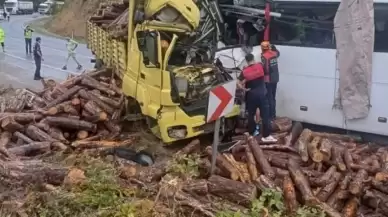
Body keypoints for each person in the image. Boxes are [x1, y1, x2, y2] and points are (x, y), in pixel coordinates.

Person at [238, 53, 277, 143]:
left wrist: (244, 88)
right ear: (253, 59)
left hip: (251, 95)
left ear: (247, 61)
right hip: (262, 94)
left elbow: (238, 82)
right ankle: (266, 136)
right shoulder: (260, 66)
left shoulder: (244, 71)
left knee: (251, 115)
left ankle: (253, 132)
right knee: (266, 116)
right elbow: (267, 71)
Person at [261, 41, 280, 121]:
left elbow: (265, 69)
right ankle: (274, 115)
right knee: (273, 96)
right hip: (275, 78)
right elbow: (278, 53)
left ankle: (270, 116)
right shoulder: (274, 53)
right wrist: (273, 47)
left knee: (269, 98)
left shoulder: (264, 56)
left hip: (268, 79)